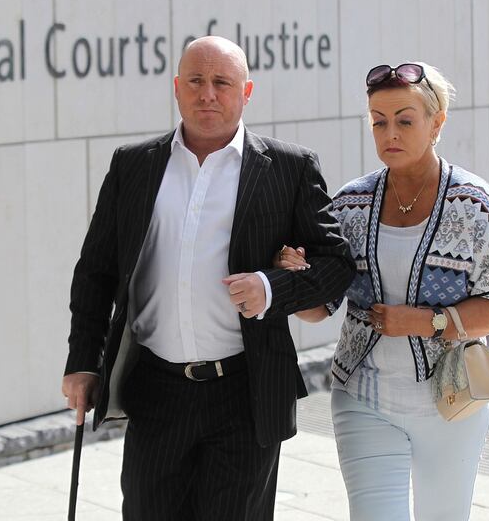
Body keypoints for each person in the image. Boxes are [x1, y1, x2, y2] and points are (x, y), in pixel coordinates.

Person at [60, 36, 354, 520]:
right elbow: (96, 272)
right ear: (177, 87)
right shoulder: (133, 166)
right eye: (196, 81)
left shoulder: (288, 168)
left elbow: (336, 265)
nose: (208, 94)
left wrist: (269, 288)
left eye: (222, 82)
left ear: (247, 91)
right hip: (157, 391)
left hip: (245, 393)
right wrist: (83, 361)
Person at [274, 62, 489, 520]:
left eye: (405, 120)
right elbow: (318, 310)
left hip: (453, 403)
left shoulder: (473, 205)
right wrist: (297, 278)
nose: (390, 132)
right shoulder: (351, 204)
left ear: (437, 122)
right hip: (363, 399)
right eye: (379, 121)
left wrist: (429, 322)